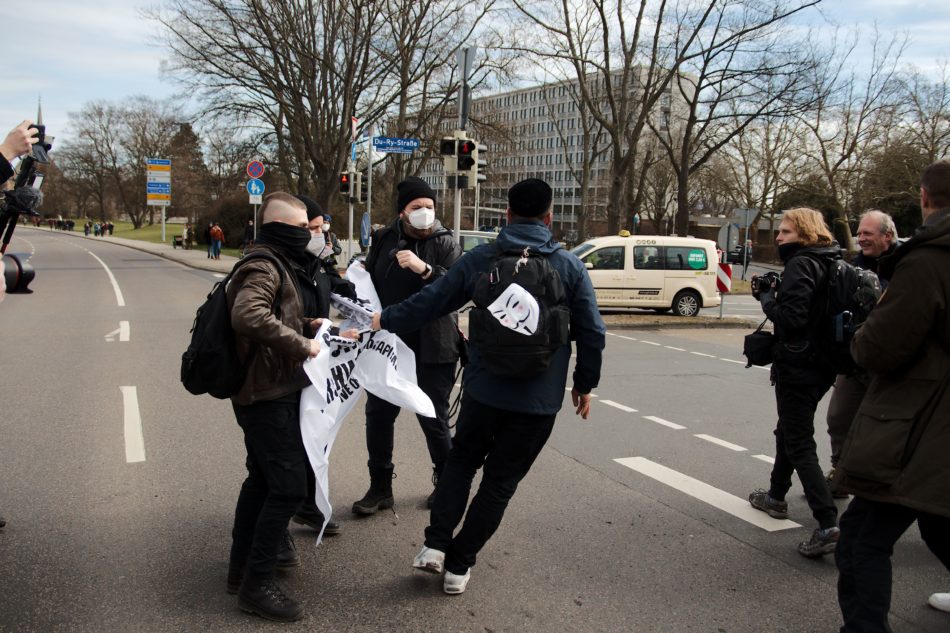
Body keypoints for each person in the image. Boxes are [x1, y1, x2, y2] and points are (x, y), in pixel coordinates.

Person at [372, 178, 605, 595]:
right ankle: (459, 566)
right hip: (537, 401)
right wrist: (584, 384)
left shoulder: (482, 259)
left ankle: (434, 546)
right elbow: (592, 332)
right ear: (549, 218)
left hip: (484, 391)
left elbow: (434, 300)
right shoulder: (569, 267)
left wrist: (383, 319)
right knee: (500, 483)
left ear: (508, 215)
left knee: (461, 464)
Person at [834, 160, 950, 633]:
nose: (862, 239)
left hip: (922, 426)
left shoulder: (928, 259)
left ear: (923, 198)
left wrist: (862, 331)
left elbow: (878, 348)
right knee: (939, 524)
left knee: (861, 539)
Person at [225, 192, 322, 622]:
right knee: (288, 487)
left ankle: (240, 569)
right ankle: (256, 586)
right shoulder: (265, 265)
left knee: (262, 482)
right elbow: (248, 316)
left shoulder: (272, 261)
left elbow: (272, 315)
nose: (309, 235)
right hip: (265, 393)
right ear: (281, 228)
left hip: (265, 388)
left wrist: (307, 324)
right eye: (303, 228)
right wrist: (302, 344)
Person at [352, 177, 462, 515]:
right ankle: (380, 488)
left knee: (434, 418)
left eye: (429, 207)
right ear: (403, 211)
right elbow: (369, 283)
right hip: (389, 345)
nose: (425, 213)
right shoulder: (385, 239)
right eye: (418, 208)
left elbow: (458, 287)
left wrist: (426, 270)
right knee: (379, 417)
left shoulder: (446, 243)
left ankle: (446, 486)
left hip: (434, 345)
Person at [748, 207, 841, 558]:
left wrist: (768, 298)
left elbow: (792, 317)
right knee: (788, 429)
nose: (779, 236)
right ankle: (775, 495)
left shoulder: (802, 264)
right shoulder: (829, 260)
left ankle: (827, 522)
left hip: (799, 365)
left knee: (798, 439)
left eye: (785, 232)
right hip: (821, 364)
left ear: (803, 234)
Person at [289, 194, 358, 536]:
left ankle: (307, 505)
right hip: (283, 369)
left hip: (312, 367)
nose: (321, 236)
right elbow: (270, 319)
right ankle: (273, 535)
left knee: (314, 437)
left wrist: (357, 303)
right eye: (313, 229)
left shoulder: (318, 264)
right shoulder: (281, 267)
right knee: (284, 449)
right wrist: (308, 326)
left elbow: (339, 289)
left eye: (322, 229)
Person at [823, 210, 898, 497]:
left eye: (868, 233)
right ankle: (840, 473)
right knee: (839, 417)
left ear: (887, 236)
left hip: (889, 363)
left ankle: (883, 483)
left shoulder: (905, 266)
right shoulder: (854, 265)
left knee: (884, 427)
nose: (861, 238)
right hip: (856, 358)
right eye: (860, 233)